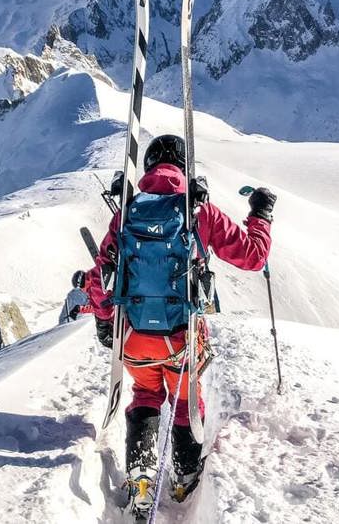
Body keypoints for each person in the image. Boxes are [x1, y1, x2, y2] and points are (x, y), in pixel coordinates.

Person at [85, 134, 275, 509]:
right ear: (184, 168)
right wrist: (261, 215)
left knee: (145, 395)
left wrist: (106, 322)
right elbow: (253, 257)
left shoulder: (127, 212)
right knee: (187, 400)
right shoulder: (198, 210)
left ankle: (140, 476)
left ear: (149, 168)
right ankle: (183, 479)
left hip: (136, 338)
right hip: (182, 339)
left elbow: (101, 278)